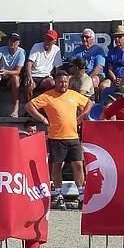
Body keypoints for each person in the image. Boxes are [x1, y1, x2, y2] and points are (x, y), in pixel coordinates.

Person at [25, 69, 92, 210]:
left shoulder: (73, 95)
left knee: (78, 165)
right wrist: (43, 118)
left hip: (73, 137)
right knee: (57, 166)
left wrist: (82, 116)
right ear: (55, 82)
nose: (63, 84)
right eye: (61, 81)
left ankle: (81, 194)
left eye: (66, 81)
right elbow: (29, 106)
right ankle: (59, 194)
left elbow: (89, 102)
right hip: (56, 137)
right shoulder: (48, 96)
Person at [27, 29, 63, 94]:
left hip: (46, 76)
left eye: (50, 39)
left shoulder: (56, 49)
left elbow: (58, 67)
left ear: (54, 42)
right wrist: (29, 76)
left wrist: (57, 80)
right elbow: (29, 62)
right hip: (33, 75)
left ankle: (48, 102)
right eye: (46, 39)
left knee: (52, 84)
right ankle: (29, 103)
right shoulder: (36, 46)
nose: (47, 41)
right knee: (29, 85)